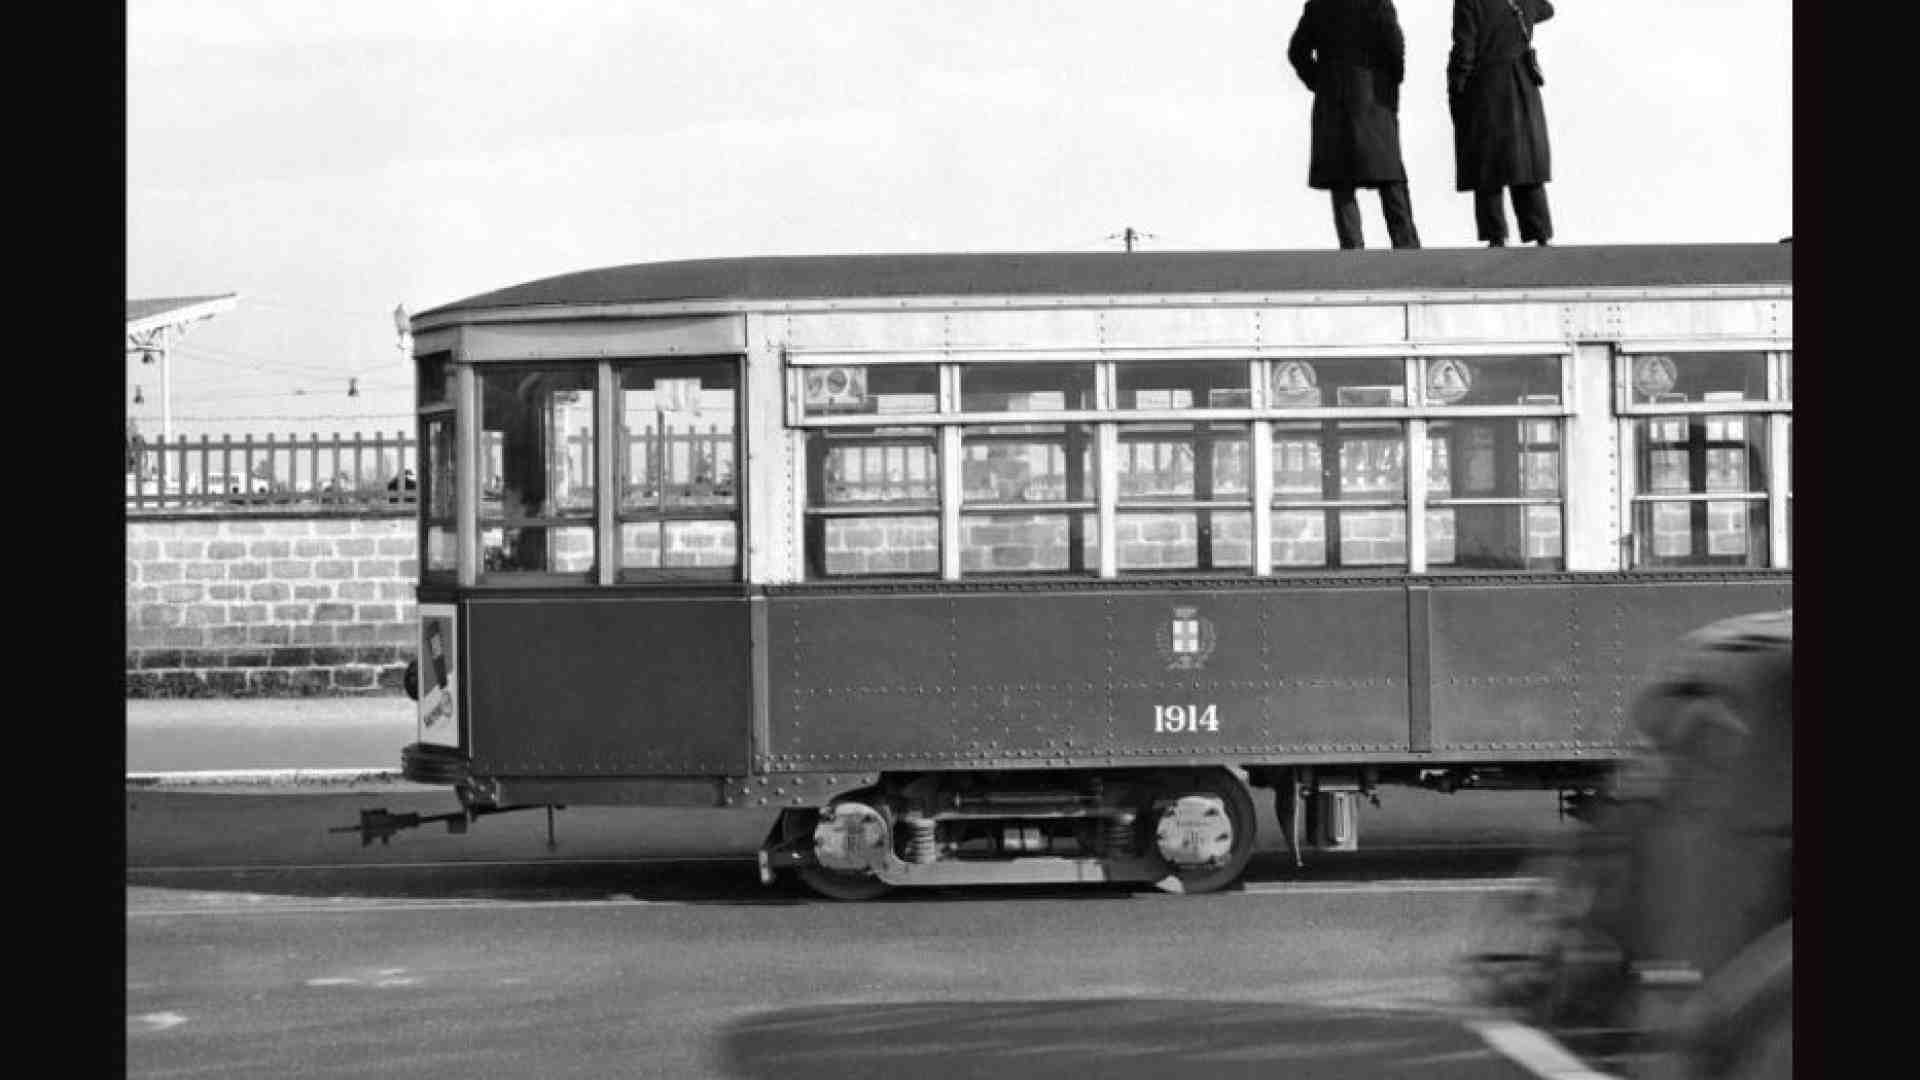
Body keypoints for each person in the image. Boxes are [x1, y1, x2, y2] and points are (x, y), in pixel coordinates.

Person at [1287, 0, 1421, 250]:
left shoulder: (1319, 5)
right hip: (1375, 102)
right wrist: (1390, 82)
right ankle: (1407, 250)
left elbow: (1297, 52)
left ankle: (1353, 254)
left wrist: (1319, 82)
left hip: (1334, 102)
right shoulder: (1378, 3)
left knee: (1342, 182)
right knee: (1390, 178)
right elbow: (1394, 46)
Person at [1448, 0, 1556, 246]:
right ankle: (1539, 233)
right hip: (1522, 86)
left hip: (1485, 86)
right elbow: (1547, 10)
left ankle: (1496, 236)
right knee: (1525, 164)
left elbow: (1464, 48)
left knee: (1488, 166)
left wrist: (1457, 85)